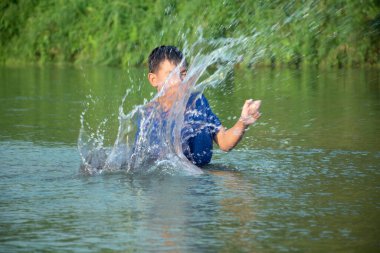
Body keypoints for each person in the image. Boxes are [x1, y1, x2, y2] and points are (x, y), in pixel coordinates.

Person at [139, 45, 261, 166]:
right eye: (171, 75)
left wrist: (243, 122)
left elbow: (224, 142)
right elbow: (146, 163)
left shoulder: (198, 102)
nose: (179, 81)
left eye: (183, 74)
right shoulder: (149, 115)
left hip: (203, 176)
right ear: (153, 79)